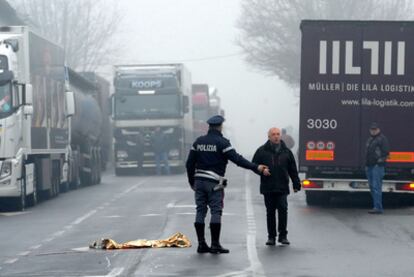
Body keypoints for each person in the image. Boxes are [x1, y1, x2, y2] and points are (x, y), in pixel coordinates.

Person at [186, 115, 269, 254]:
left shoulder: (198, 142)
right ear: (220, 126)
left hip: (199, 181)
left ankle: (201, 244)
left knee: (200, 210)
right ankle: (215, 244)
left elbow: (189, 164)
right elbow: (237, 160)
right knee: (216, 211)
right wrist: (256, 167)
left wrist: (191, 181)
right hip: (214, 182)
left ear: (209, 126)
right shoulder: (222, 143)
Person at [252, 127, 301, 246]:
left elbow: (293, 170)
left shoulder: (287, 152)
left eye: (278, 134)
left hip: (282, 186)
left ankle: (283, 235)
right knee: (270, 212)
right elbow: (254, 165)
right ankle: (271, 237)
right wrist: (261, 171)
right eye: (273, 134)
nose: (276, 136)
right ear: (269, 136)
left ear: (280, 136)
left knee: (283, 210)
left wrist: (296, 184)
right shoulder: (261, 151)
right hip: (268, 187)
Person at [365, 122, 389, 214]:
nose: (373, 131)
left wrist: (378, 163)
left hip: (377, 167)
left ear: (378, 129)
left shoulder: (382, 139)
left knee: (376, 187)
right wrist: (366, 165)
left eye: (375, 129)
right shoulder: (370, 139)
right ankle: (376, 206)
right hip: (369, 166)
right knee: (372, 187)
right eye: (372, 129)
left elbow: (386, 154)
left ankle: (378, 208)